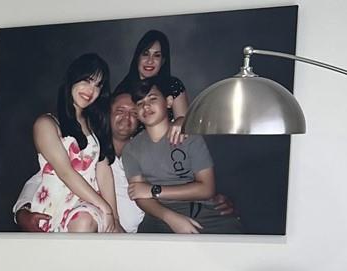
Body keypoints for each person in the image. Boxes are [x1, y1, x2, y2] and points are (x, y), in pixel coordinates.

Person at [17, 89, 236, 232]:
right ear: (107, 114)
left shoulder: (142, 152)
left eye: (133, 112)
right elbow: (43, 178)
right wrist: (22, 212)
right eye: (119, 111)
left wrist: (212, 197)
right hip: (96, 235)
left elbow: (178, 178)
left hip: (144, 236)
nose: (127, 117)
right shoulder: (89, 153)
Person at [10, 53, 118, 233]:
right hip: (55, 204)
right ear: (72, 79)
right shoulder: (47, 124)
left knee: (84, 220)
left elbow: (104, 172)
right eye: (87, 80)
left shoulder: (96, 125)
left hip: (88, 205)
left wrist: (114, 217)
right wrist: (105, 208)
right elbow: (65, 172)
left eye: (97, 85)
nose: (91, 90)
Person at [122, 76, 244, 234]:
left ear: (169, 102)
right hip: (159, 215)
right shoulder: (131, 149)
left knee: (238, 242)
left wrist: (154, 190)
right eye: (140, 103)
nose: (146, 106)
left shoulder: (189, 137)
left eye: (152, 99)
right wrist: (171, 218)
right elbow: (139, 194)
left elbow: (207, 189)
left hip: (203, 212)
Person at [115, 29, 189, 126]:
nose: (150, 61)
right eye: (145, 54)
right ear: (137, 57)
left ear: (162, 61)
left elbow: (185, 124)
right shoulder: (123, 91)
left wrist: (180, 122)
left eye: (157, 55)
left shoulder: (173, 86)